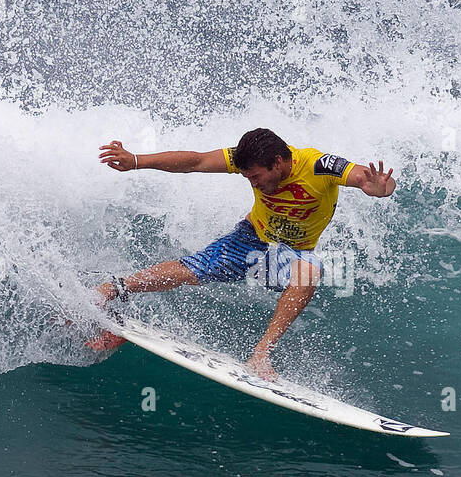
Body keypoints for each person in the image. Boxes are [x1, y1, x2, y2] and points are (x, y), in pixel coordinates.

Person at [89, 128, 396, 379]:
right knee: (192, 270)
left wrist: (382, 187)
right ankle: (111, 289)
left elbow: (361, 176)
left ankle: (260, 356)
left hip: (293, 253)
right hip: (253, 238)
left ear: (278, 162)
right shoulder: (248, 159)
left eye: (256, 176)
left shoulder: (318, 166)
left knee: (308, 272)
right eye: (247, 176)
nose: (252, 182)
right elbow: (195, 161)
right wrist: (137, 160)